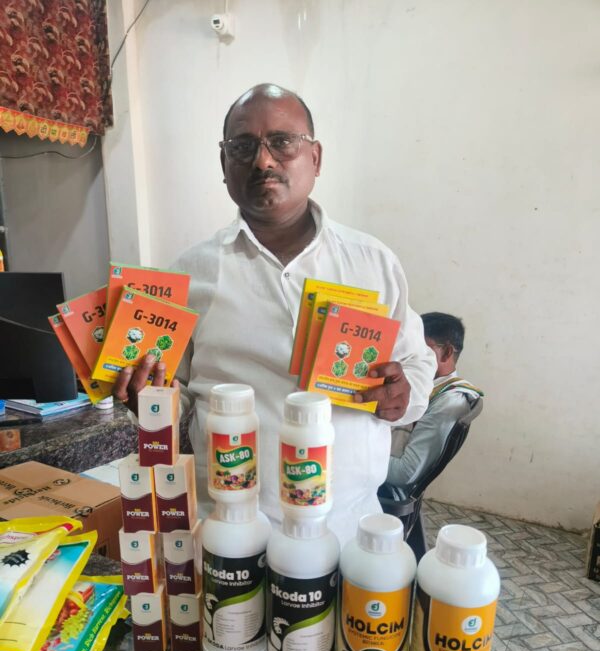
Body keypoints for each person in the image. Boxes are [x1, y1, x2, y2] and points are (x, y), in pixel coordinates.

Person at [114, 83, 436, 546]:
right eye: (243, 147)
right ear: (223, 164)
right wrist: (148, 400)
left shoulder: (372, 262)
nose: (263, 161)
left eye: (282, 142)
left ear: (316, 158)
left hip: (350, 528)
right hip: (229, 530)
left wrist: (404, 395)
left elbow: (417, 361)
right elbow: (175, 397)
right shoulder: (189, 274)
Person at [386, 312, 483, 500]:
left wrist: (356, 456)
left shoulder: (450, 402)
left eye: (420, 349)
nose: (410, 356)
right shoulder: (422, 385)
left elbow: (405, 474)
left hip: (388, 490)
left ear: (447, 352)